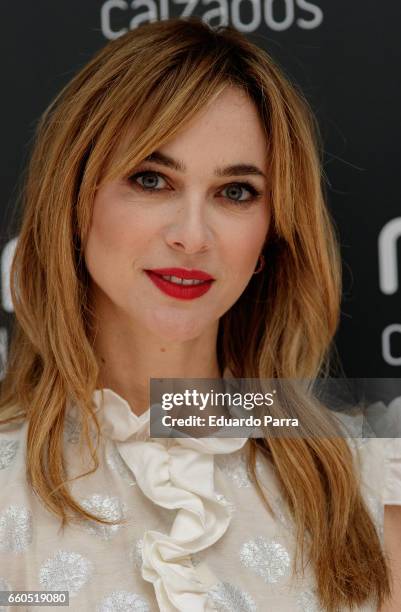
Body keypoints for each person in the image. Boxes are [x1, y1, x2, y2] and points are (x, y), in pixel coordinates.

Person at [0, 16, 400, 612]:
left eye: (235, 192)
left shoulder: (365, 480)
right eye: (152, 179)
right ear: (75, 201)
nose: (192, 235)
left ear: (271, 235)